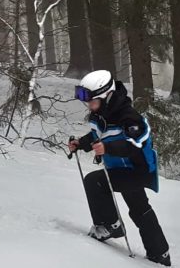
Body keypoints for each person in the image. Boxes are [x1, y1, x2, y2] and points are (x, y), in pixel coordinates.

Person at [68, 70, 171, 266]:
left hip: (137, 170)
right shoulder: (99, 116)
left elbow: (134, 145)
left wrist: (108, 148)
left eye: (92, 101)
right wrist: (80, 143)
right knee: (139, 208)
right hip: (119, 169)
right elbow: (97, 136)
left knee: (95, 181)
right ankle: (160, 254)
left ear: (107, 96)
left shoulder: (129, 117)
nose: (89, 105)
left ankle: (111, 226)